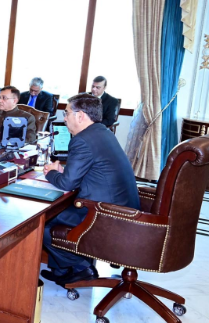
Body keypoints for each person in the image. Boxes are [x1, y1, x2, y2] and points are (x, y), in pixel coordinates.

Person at [41, 93, 139, 286]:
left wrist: (50, 173)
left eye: (67, 113)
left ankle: (81, 267)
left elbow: (67, 184)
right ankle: (62, 270)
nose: (64, 118)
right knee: (56, 214)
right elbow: (94, 171)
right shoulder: (103, 132)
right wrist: (65, 172)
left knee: (41, 224)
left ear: (80, 116)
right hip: (122, 209)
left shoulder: (82, 140)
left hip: (105, 214)